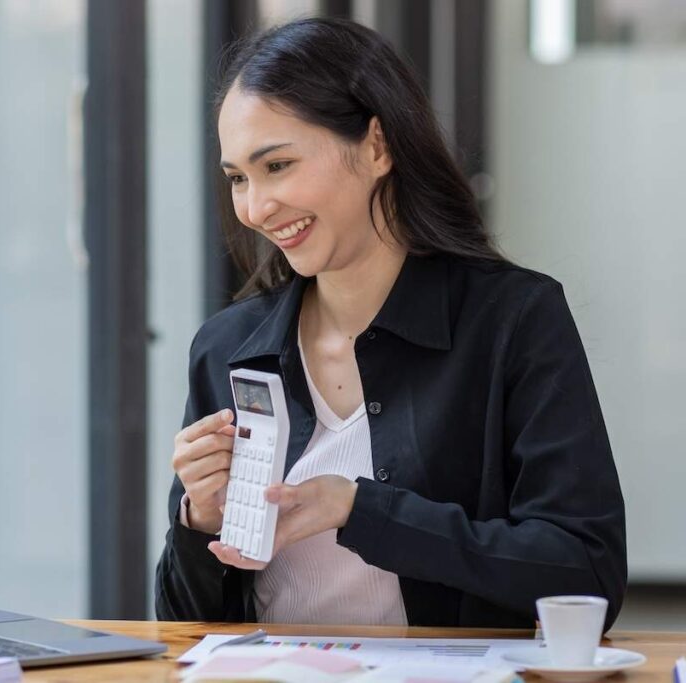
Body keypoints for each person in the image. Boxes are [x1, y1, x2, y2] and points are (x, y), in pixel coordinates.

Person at [154, 17, 627, 630]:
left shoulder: (513, 320)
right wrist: (199, 520)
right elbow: (179, 626)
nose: (255, 208)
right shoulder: (226, 347)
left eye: (278, 165)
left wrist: (362, 511)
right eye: (238, 179)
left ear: (377, 146)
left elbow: (586, 573)